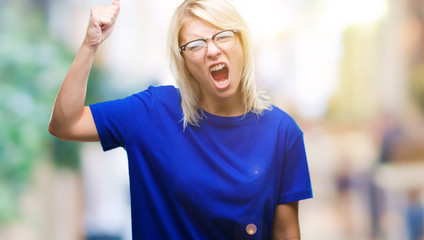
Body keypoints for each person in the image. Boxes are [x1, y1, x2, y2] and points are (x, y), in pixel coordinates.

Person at [48, 0, 313, 239]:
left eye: (223, 36)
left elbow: (285, 231)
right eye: (196, 44)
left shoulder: (282, 132)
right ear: (184, 61)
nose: (212, 50)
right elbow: (65, 123)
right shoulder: (151, 112)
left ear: (242, 42)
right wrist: (90, 45)